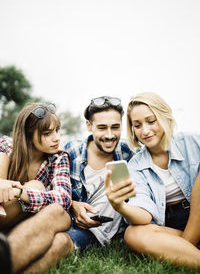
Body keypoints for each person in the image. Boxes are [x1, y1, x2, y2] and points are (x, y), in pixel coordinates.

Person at [105, 92, 200, 269]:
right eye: (137, 125)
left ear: (164, 117)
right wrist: (120, 206)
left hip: (197, 215)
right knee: (133, 234)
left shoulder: (193, 142)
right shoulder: (135, 166)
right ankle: (190, 253)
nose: (145, 131)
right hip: (171, 225)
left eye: (151, 121)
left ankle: (185, 250)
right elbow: (145, 215)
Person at [0, 102, 72, 273]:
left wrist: (20, 192)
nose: (56, 138)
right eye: (47, 133)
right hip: (4, 215)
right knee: (36, 185)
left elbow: (64, 199)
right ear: (27, 135)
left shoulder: (58, 158)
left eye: (57, 130)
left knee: (63, 240)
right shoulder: (6, 147)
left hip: (25, 227)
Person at [64, 96, 134, 250]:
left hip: (102, 233)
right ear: (89, 126)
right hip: (70, 223)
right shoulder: (72, 151)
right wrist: (73, 205)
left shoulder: (128, 153)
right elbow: (54, 190)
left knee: (60, 242)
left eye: (115, 127)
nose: (109, 135)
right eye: (102, 128)